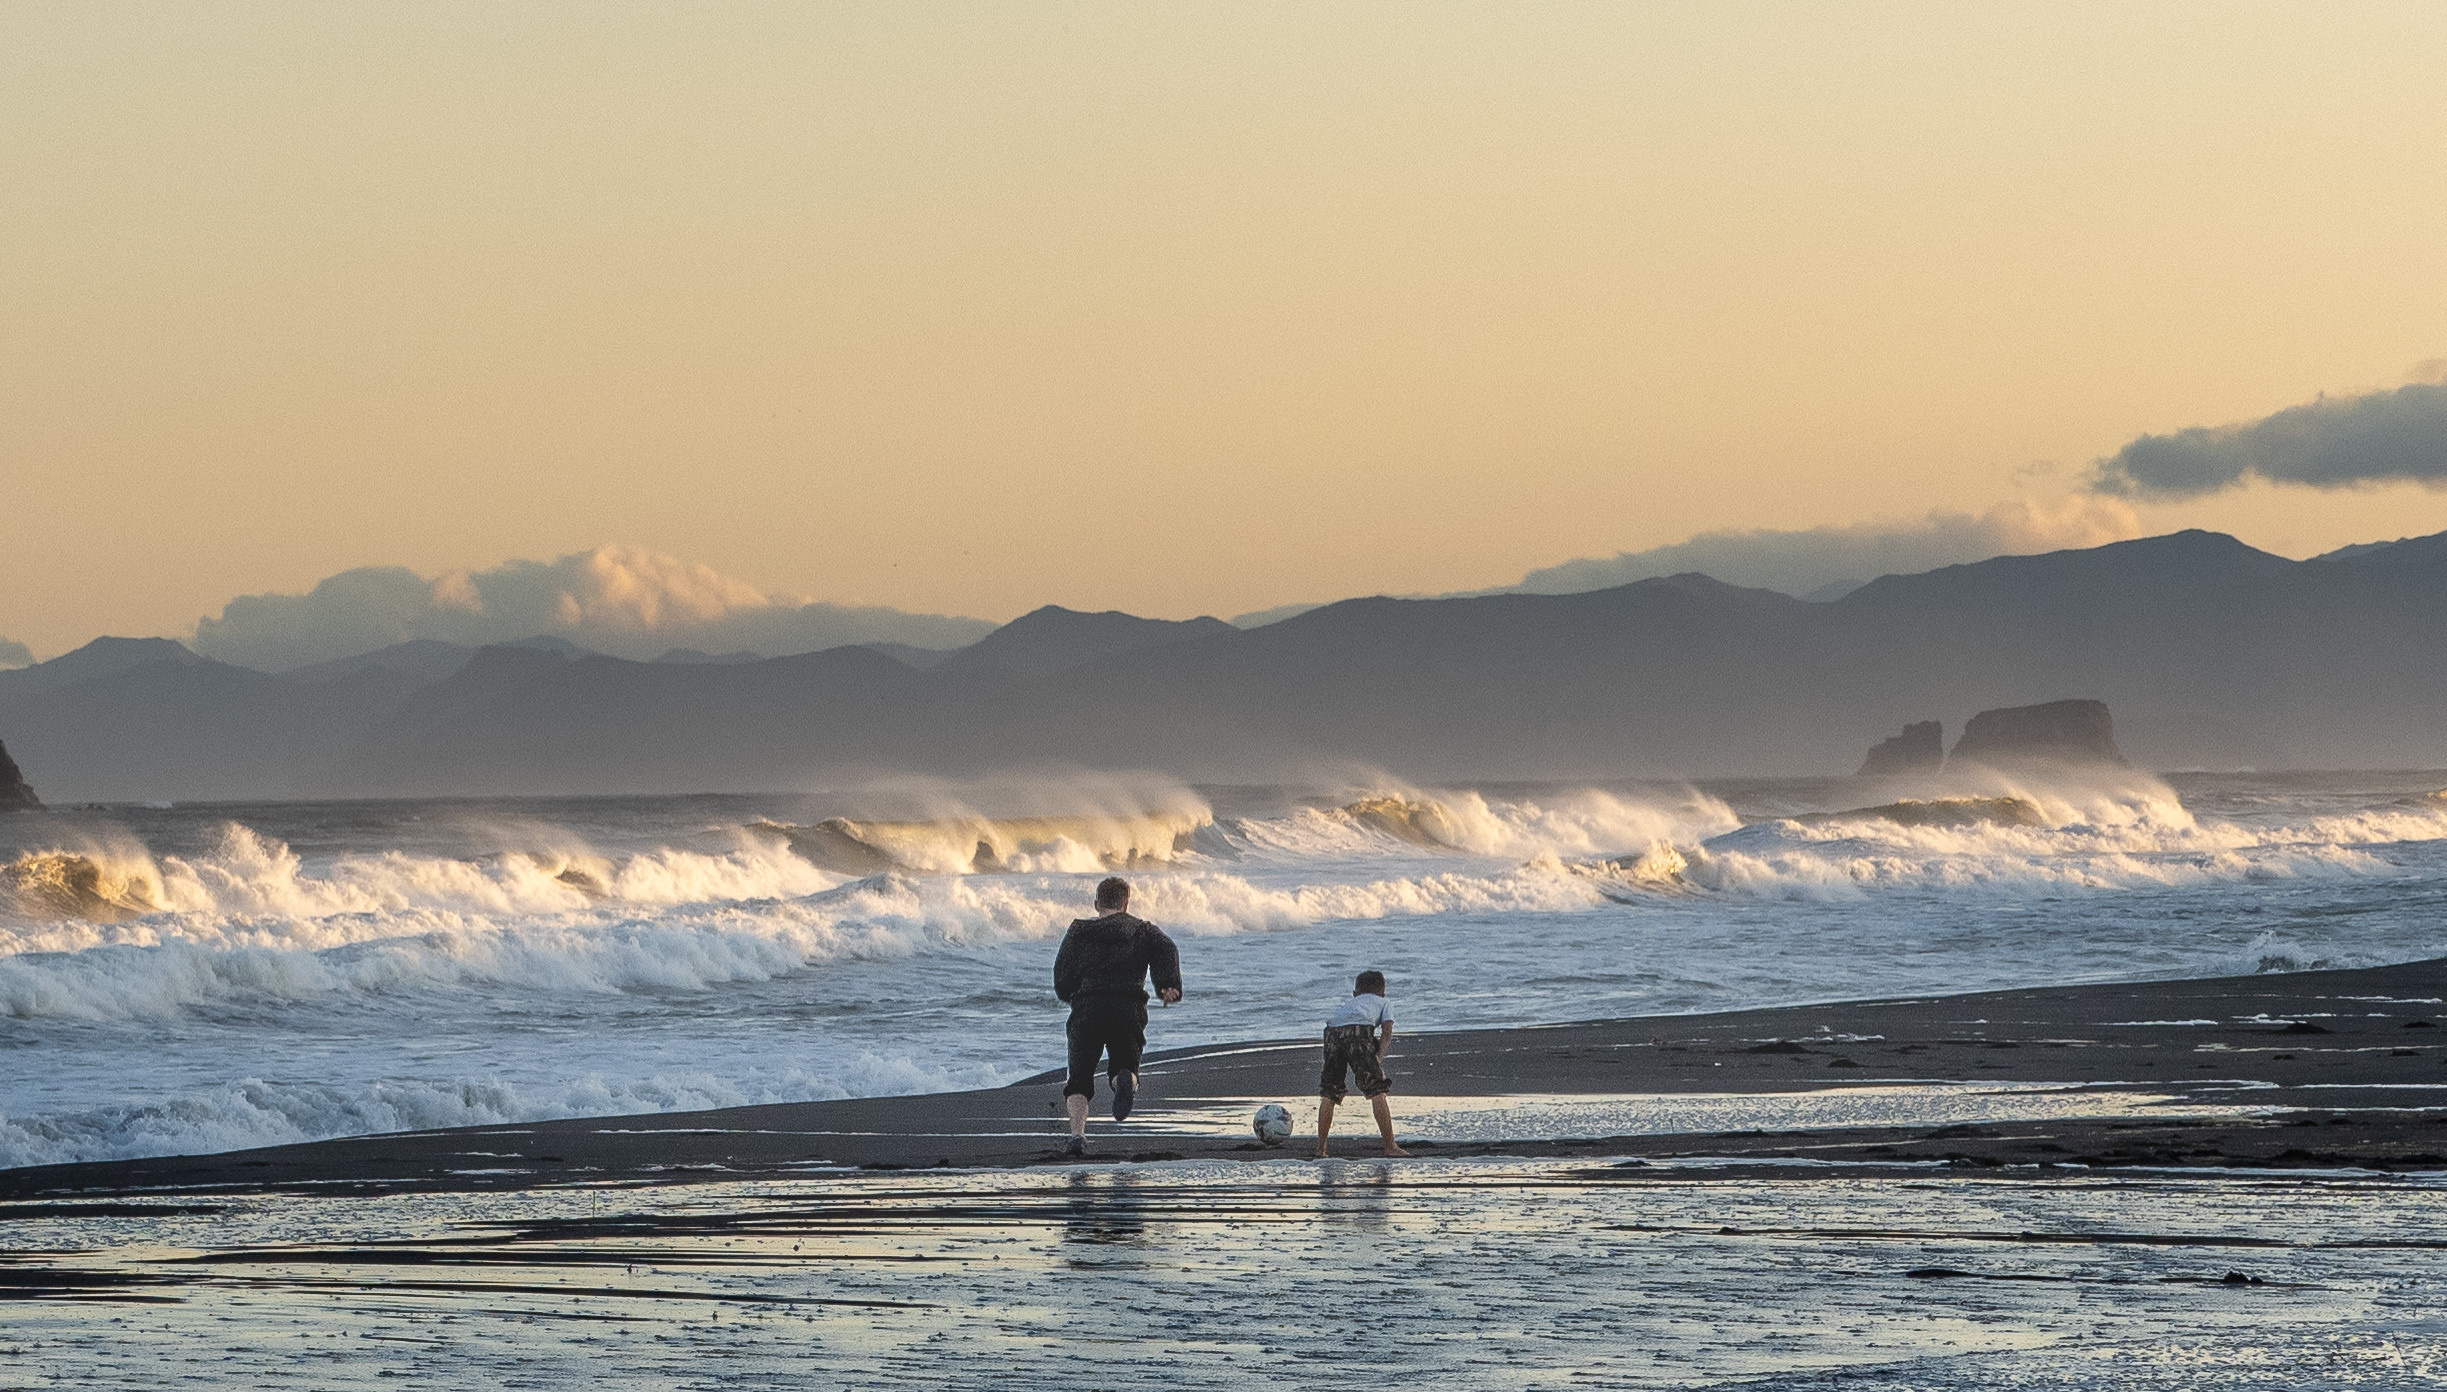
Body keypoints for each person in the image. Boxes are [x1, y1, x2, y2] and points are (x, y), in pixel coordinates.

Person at [1052, 876, 1182, 1158]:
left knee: (1079, 1079)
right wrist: (1167, 984)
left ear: (1096, 904)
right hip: (1128, 1008)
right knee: (1126, 1065)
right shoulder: (1143, 930)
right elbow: (1167, 948)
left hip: (1088, 1008)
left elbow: (1062, 975)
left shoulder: (1079, 931)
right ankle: (1123, 1079)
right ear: (1125, 904)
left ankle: (1077, 1136)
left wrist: (1070, 994)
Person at [1316, 969, 1408, 1159]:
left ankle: (1321, 1149)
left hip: (1332, 1030)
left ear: (1355, 993)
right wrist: (1377, 1060)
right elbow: (1386, 1034)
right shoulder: (1384, 1002)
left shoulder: (1350, 1004)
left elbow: (1341, 1025)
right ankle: (1390, 1146)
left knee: (1330, 1091)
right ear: (1383, 992)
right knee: (1377, 1090)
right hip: (1359, 1030)